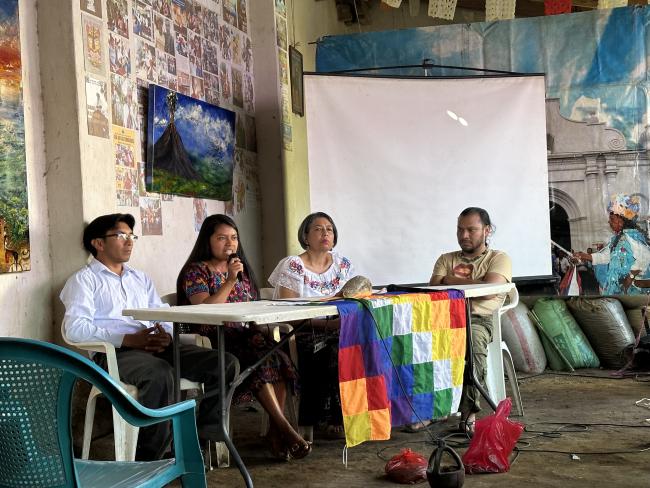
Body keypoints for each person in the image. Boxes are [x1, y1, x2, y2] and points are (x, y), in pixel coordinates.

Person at [60, 213, 238, 461]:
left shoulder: (139, 278)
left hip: (155, 347)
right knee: (160, 374)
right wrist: (128, 339)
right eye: (121, 236)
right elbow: (74, 329)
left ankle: (201, 438)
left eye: (131, 236)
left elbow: (162, 315)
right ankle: (151, 459)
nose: (129, 242)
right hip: (117, 354)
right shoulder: (83, 281)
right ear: (98, 243)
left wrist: (166, 335)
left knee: (225, 362)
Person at [177, 214, 311, 461]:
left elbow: (248, 309)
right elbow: (205, 311)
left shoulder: (243, 271)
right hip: (213, 340)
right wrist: (229, 280)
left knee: (276, 356)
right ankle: (285, 430)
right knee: (258, 356)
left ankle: (275, 430)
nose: (229, 243)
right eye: (221, 238)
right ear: (207, 240)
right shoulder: (196, 271)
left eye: (234, 238)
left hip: (245, 335)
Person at [268, 212, 356, 438]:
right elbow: (287, 314)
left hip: (337, 329)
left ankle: (356, 414)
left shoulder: (342, 265)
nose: (325, 233)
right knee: (332, 351)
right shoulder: (294, 265)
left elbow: (354, 299)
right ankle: (326, 418)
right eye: (318, 229)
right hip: (301, 333)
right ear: (305, 236)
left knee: (364, 347)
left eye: (329, 229)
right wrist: (329, 326)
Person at [428, 207, 512, 435]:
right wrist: (477, 282)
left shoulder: (499, 258)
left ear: (486, 231)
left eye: (471, 230)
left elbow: (488, 291)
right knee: (415, 343)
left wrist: (449, 280)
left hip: (478, 319)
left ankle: (468, 414)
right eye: (460, 229)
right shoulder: (446, 258)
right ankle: (429, 410)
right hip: (443, 319)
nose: (464, 235)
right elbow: (434, 287)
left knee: (471, 343)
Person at [574, 194, 650, 295]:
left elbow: (645, 256)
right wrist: (584, 256)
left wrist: (631, 276)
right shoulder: (617, 238)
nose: (609, 222)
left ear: (622, 221)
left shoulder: (632, 236)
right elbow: (606, 256)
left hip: (634, 288)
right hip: (622, 287)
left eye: (612, 219)